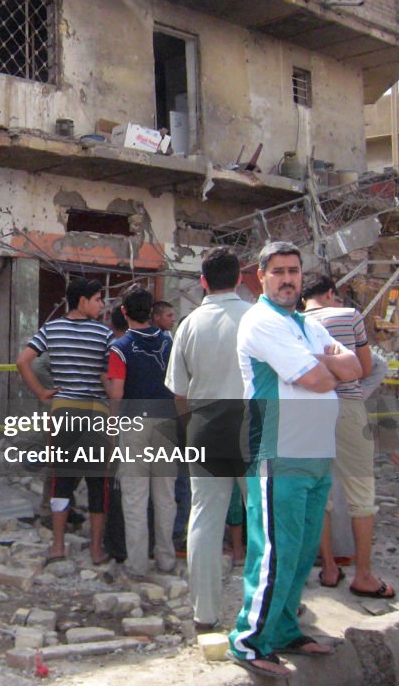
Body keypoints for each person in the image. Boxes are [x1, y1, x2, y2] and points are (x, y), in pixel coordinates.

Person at [227, 241, 362, 679]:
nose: (288, 279)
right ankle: (248, 641)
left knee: (302, 552)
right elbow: (320, 378)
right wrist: (329, 365)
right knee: (274, 552)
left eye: (294, 271)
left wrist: (330, 364)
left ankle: (284, 630)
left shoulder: (302, 323)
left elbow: (355, 367)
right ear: (261, 277)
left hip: (316, 453)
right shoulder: (261, 322)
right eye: (279, 271)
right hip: (278, 451)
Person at [164, 246, 252, 631]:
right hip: (254, 424)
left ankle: (205, 614)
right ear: (239, 279)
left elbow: (178, 391)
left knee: (204, 518)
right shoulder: (256, 318)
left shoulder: (188, 324)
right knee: (264, 517)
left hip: (205, 425)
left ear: (202, 282)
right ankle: (268, 609)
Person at [300, 273, 394, 599]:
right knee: (361, 495)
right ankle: (364, 575)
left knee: (320, 495)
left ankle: (328, 568)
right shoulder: (348, 315)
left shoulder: (293, 322)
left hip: (310, 410)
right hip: (347, 408)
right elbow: (365, 368)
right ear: (330, 293)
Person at [15, 277, 112, 567]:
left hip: (63, 413)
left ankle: (58, 546)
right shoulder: (103, 333)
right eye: (97, 299)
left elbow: (23, 361)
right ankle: (96, 549)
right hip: (96, 414)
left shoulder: (51, 329)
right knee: (97, 483)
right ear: (82, 301)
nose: (101, 304)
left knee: (61, 481)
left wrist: (42, 393)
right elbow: (109, 376)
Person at [107, 285, 177, 578]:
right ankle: (166, 558)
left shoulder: (119, 348)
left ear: (124, 312)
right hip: (166, 421)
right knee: (165, 494)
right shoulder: (168, 342)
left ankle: (137, 564)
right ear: (151, 312)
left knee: (135, 495)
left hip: (134, 422)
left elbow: (118, 394)